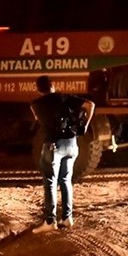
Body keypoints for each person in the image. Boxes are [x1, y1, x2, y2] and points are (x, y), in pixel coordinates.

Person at [29, 74, 95, 233]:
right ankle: (67, 218)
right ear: (53, 86)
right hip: (71, 144)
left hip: (53, 146)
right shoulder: (64, 97)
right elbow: (90, 105)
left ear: (38, 89)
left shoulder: (35, 103)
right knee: (66, 180)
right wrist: (84, 126)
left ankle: (50, 221)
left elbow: (38, 119)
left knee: (50, 182)